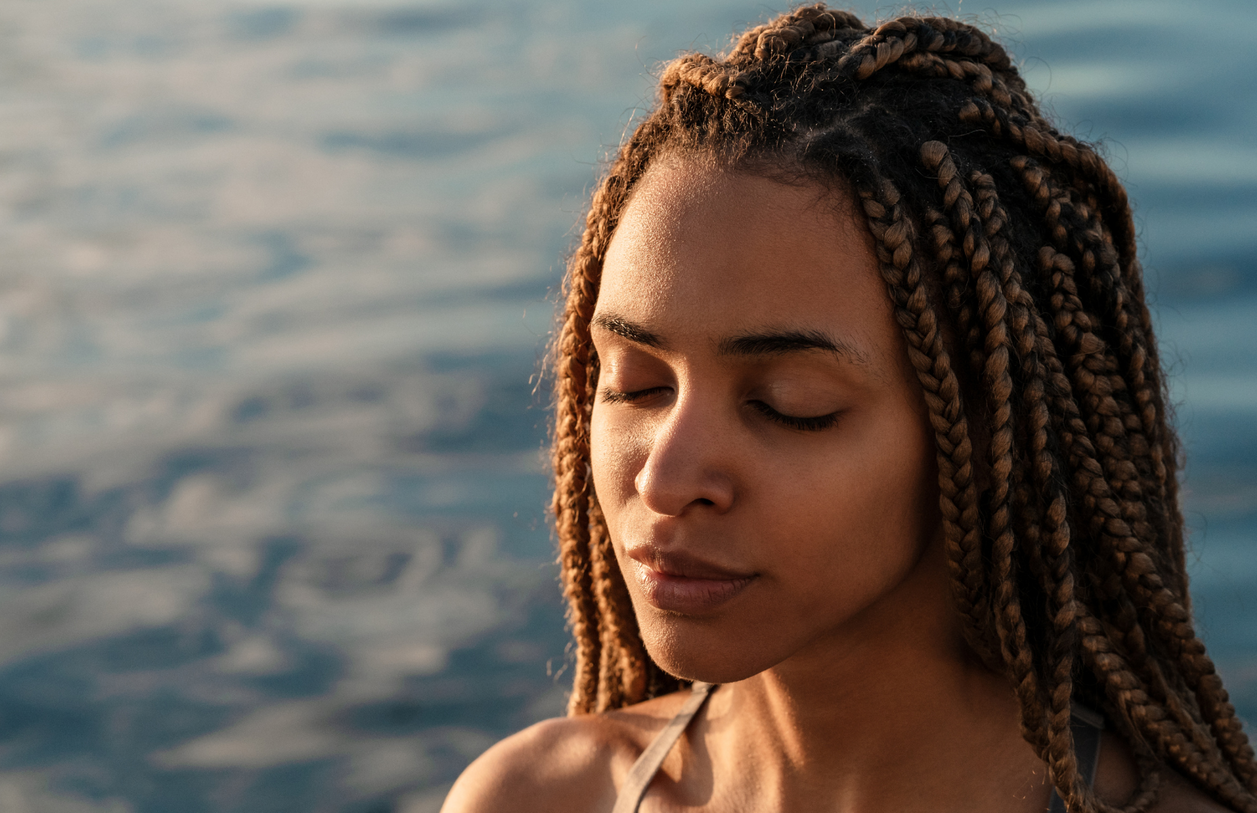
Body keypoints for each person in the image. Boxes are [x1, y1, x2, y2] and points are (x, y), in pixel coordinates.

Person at [441, 5, 1257, 812]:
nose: (665, 477)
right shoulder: (535, 797)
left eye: (788, 406)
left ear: (976, 431)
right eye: (636, 383)